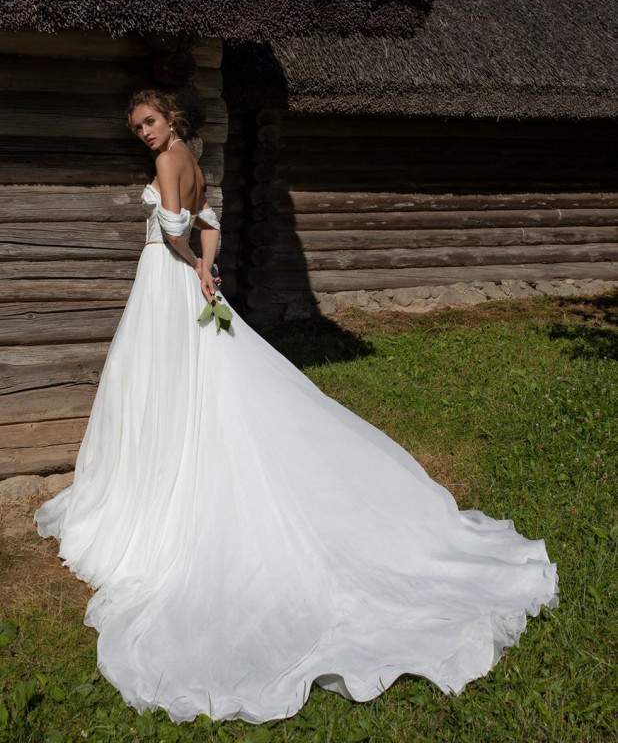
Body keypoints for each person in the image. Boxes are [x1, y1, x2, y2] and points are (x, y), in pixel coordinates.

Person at [35, 89, 559, 726]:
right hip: (183, 279)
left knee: (160, 380)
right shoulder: (195, 159)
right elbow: (211, 227)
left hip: (162, 277)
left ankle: (157, 485)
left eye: (150, 122)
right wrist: (207, 267)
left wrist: (190, 268)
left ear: (171, 118)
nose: (144, 133)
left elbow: (175, 228)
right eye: (137, 127)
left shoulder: (170, 161)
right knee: (183, 380)